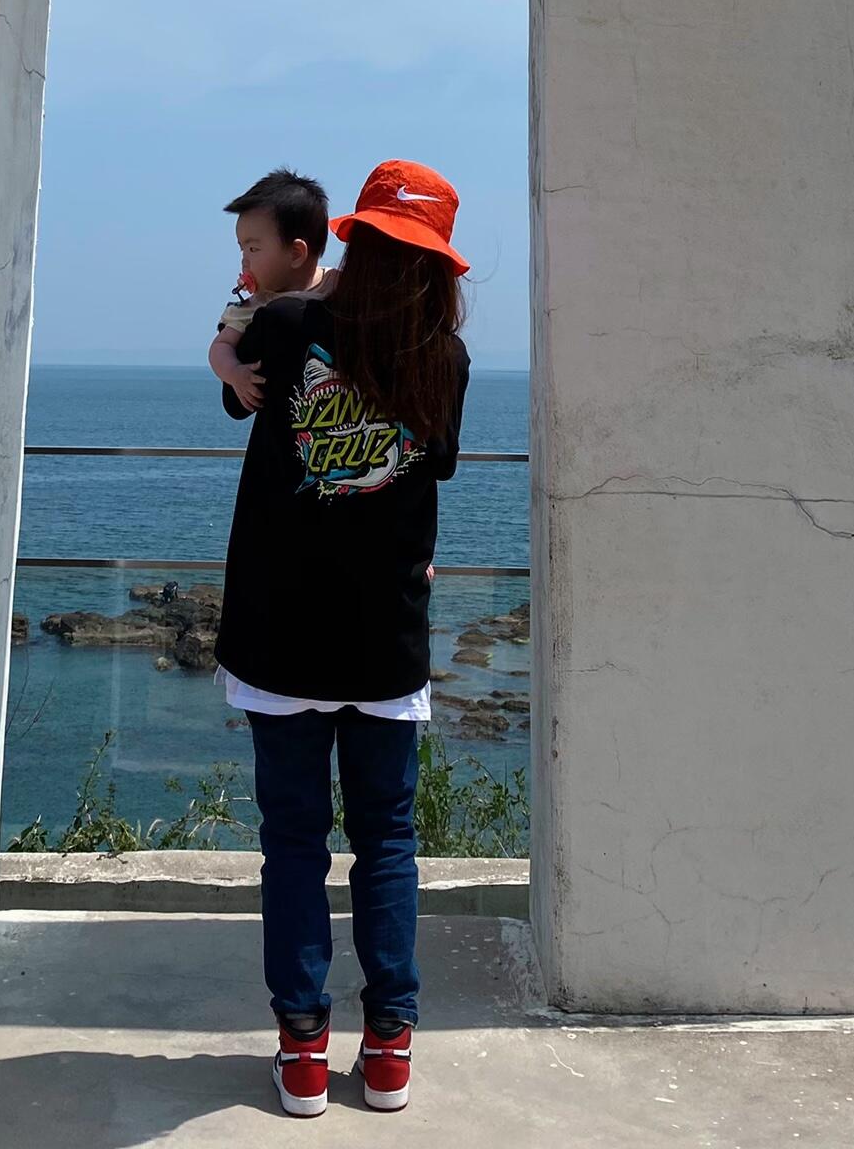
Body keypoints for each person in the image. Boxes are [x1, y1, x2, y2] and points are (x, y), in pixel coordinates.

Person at [212, 159, 471, 1118]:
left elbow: (236, 388)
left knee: (293, 845)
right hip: (385, 637)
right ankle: (390, 1051)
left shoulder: (286, 327)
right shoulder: (445, 358)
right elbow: (435, 465)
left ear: (355, 240)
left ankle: (304, 1052)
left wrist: (245, 320)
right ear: (437, 264)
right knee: (387, 844)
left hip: (281, 633)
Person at [209, 168, 335, 415]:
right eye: (242, 249)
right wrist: (235, 373)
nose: (244, 260)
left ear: (296, 254)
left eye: (253, 249)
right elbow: (220, 347)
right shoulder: (253, 307)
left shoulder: (334, 282)